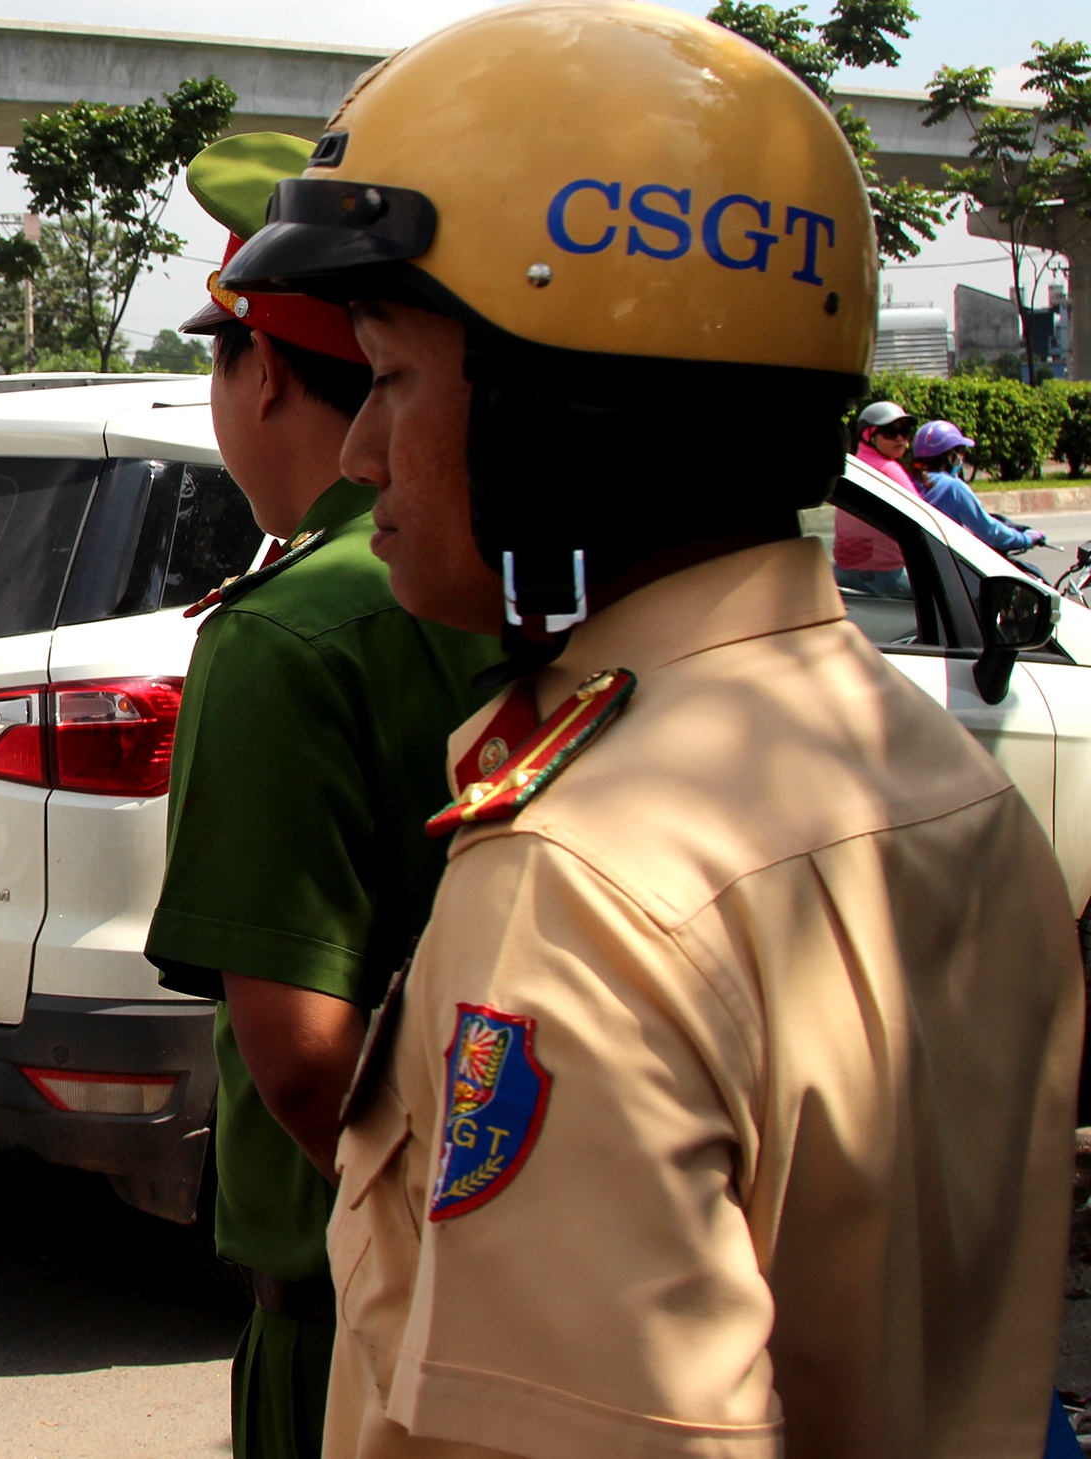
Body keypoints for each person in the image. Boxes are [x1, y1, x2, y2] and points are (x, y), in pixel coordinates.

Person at [220, 4, 1081, 1456]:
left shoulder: (589, 878)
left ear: (561, 421)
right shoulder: (939, 777)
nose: (362, 450)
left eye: (397, 378)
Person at [145, 132, 497, 1459]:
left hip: (356, 1307)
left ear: (267, 368)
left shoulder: (283, 632)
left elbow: (301, 1060)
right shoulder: (495, 570)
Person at [913, 418, 1048, 555]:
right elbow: (989, 531)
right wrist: (1026, 539)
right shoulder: (954, 488)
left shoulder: (907, 481)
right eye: (960, 452)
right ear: (949, 456)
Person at [834, 400, 917, 596]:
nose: (900, 439)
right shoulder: (888, 470)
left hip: (842, 574)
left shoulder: (853, 466)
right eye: (890, 432)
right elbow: (924, 520)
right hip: (886, 577)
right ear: (868, 435)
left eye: (904, 432)